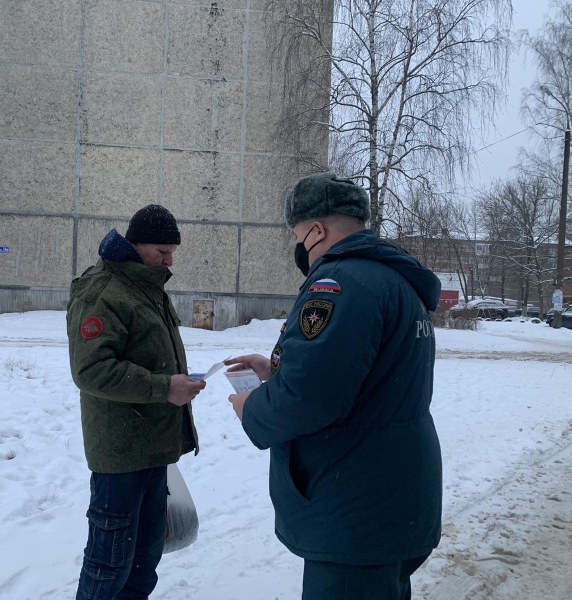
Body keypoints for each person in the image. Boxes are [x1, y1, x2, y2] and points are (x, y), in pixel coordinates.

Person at [226, 172, 443, 600]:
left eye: (298, 234)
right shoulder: (395, 281)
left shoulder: (341, 284)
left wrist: (252, 408)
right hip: (392, 494)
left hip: (354, 507)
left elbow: (310, 398)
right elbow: (365, 377)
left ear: (317, 230)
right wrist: (275, 372)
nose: (298, 245)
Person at [66, 204, 205, 600]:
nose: (169, 259)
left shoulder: (146, 287)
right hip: (121, 453)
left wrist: (178, 383)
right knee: (109, 563)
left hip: (152, 450)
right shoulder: (105, 291)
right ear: (135, 244)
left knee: (144, 562)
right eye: (162, 250)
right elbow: (91, 370)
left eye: (173, 251)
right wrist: (165, 388)